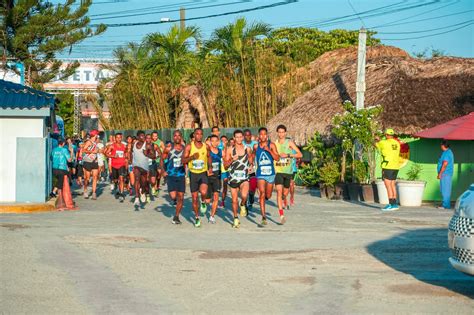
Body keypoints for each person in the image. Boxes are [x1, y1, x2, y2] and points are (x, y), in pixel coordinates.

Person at [182, 128, 212, 228]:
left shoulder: (206, 146)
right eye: (197, 134)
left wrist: (210, 167)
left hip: (203, 173)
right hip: (193, 174)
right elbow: (183, 160)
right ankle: (197, 218)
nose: (199, 136)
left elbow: (208, 156)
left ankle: (203, 202)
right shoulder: (189, 147)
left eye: (201, 134)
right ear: (194, 135)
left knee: (203, 192)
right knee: (194, 199)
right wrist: (192, 157)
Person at [224, 130, 253, 228]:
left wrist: (251, 166)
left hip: (244, 177)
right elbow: (225, 166)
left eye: (241, 137)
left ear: (243, 137)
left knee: (244, 195)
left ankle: (243, 204)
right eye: (237, 137)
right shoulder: (229, 150)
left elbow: (250, 159)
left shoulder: (247, 149)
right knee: (234, 200)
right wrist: (232, 159)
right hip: (233, 178)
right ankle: (235, 218)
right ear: (234, 138)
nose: (239, 139)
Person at [274, 125, 302, 223]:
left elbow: (300, 154)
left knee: (285, 193)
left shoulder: (289, 142)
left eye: (283, 132)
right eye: (279, 132)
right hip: (278, 171)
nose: (281, 134)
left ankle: (284, 198)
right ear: (277, 133)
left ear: (285, 133)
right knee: (278, 191)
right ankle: (281, 215)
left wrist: (288, 155)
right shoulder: (274, 144)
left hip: (288, 172)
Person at [254, 127, 280, 225]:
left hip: (270, 174)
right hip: (260, 174)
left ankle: (264, 200)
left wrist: (269, 150)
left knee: (268, 195)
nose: (263, 136)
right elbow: (252, 156)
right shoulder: (256, 147)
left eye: (265, 134)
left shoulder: (271, 145)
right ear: (259, 136)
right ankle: (263, 216)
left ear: (267, 135)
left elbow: (277, 158)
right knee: (262, 193)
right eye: (261, 134)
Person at [161, 130, 186, 224]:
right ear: (173, 137)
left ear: (181, 137)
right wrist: (163, 170)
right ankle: (174, 200)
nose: (177, 137)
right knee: (173, 196)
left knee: (181, 197)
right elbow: (161, 160)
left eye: (179, 136)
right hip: (171, 175)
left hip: (181, 175)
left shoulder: (185, 148)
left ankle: (176, 216)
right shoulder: (168, 148)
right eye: (175, 136)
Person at [375, 128, 401, 211]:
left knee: (388, 186)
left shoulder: (383, 143)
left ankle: (391, 204)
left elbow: (376, 144)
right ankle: (395, 204)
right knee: (392, 185)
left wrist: (376, 139)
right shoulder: (397, 143)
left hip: (387, 166)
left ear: (386, 135)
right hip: (396, 166)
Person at [130, 131, 156, 208]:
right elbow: (131, 153)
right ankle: (137, 198)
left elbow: (154, 156)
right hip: (136, 166)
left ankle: (143, 192)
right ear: (137, 137)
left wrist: (147, 154)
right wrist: (130, 161)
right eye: (141, 136)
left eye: (144, 136)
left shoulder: (147, 145)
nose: (143, 137)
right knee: (137, 179)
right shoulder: (133, 145)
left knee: (144, 183)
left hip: (144, 167)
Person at [105, 133, 127, 202]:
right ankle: (116, 185)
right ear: (115, 138)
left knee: (121, 178)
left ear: (121, 138)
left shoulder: (124, 146)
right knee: (115, 180)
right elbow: (106, 154)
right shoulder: (112, 146)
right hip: (114, 165)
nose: (118, 139)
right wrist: (113, 156)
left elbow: (126, 154)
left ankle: (122, 193)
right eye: (117, 138)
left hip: (122, 165)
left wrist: (126, 160)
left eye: (120, 137)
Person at [208, 135, 223, 224]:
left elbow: (225, 160)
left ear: (218, 142)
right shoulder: (208, 151)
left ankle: (212, 216)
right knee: (207, 200)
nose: (214, 143)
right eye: (212, 141)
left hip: (217, 177)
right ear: (210, 142)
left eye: (216, 141)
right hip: (208, 177)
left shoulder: (221, 151)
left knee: (216, 196)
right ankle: (203, 202)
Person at [82, 129, 100, 200]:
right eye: (97, 135)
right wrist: (92, 151)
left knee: (95, 177)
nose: (98, 136)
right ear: (95, 135)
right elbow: (84, 150)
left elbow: (97, 151)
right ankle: (85, 191)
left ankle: (94, 193)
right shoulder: (89, 142)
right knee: (87, 178)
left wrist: (99, 151)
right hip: (87, 161)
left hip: (94, 162)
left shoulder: (96, 142)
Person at [243, 129, 258, 211]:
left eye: (249, 135)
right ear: (243, 136)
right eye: (245, 135)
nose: (247, 137)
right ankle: (244, 203)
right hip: (243, 168)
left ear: (251, 135)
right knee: (244, 186)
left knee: (252, 184)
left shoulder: (255, 144)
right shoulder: (241, 144)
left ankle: (251, 197)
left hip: (252, 168)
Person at [437, 140, 454, 210]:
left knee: (445, 190)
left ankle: (445, 205)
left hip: (445, 174)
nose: (440, 146)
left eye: (441, 145)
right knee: (444, 189)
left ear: (443, 145)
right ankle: (445, 204)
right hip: (445, 174)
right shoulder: (447, 152)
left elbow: (445, 164)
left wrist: (440, 173)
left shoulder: (447, 153)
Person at [151, 131, 165, 197]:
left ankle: (157, 185)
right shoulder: (149, 142)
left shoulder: (160, 142)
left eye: (156, 136)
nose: (154, 137)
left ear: (157, 136)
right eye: (153, 136)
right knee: (153, 175)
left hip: (159, 160)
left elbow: (164, 150)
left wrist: (162, 155)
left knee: (159, 174)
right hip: (152, 161)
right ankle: (154, 187)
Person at [220, 135, 229, 208]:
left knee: (225, 186)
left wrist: (225, 148)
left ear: (227, 141)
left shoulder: (229, 149)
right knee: (217, 186)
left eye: (224, 140)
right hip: (218, 170)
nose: (223, 142)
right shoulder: (217, 149)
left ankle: (222, 201)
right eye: (222, 140)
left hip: (226, 170)